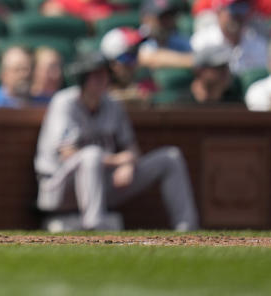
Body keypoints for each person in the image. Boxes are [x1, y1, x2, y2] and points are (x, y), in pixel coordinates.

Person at [34, 53, 199, 231]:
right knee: (92, 154)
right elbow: (67, 153)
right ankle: (95, 224)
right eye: (96, 75)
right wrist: (116, 160)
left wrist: (128, 164)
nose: (102, 80)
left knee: (170, 157)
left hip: (102, 184)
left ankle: (187, 228)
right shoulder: (64, 102)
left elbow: (131, 149)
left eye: (104, 75)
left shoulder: (113, 104)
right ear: (82, 78)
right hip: (59, 186)